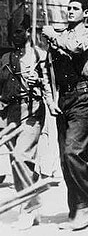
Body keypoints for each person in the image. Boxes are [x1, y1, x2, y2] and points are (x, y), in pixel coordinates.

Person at [42, 0, 88, 230]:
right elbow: (46, 69)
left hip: (84, 96)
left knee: (72, 152)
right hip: (63, 99)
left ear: (85, 12)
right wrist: (49, 98)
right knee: (66, 161)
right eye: (69, 7)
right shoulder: (59, 35)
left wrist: (53, 37)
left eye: (76, 8)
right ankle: (75, 210)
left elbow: (77, 48)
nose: (71, 11)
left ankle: (84, 204)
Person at [0, 14, 51, 229]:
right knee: (17, 162)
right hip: (10, 113)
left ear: (29, 32)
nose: (15, 36)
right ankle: (31, 207)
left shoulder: (39, 55)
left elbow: (51, 84)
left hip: (32, 110)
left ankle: (30, 208)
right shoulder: (4, 59)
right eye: (13, 32)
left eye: (19, 31)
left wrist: (38, 80)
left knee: (21, 158)